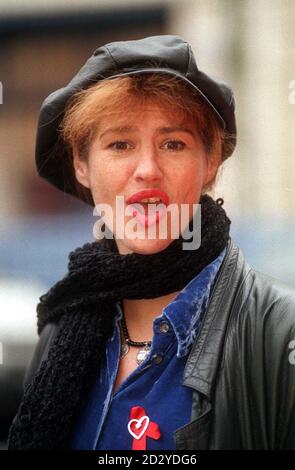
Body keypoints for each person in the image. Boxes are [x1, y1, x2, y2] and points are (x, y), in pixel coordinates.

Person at [8, 35, 295, 450]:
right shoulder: (59, 331)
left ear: (210, 161)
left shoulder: (280, 334)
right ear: (82, 164)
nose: (147, 169)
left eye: (173, 143)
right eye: (120, 144)